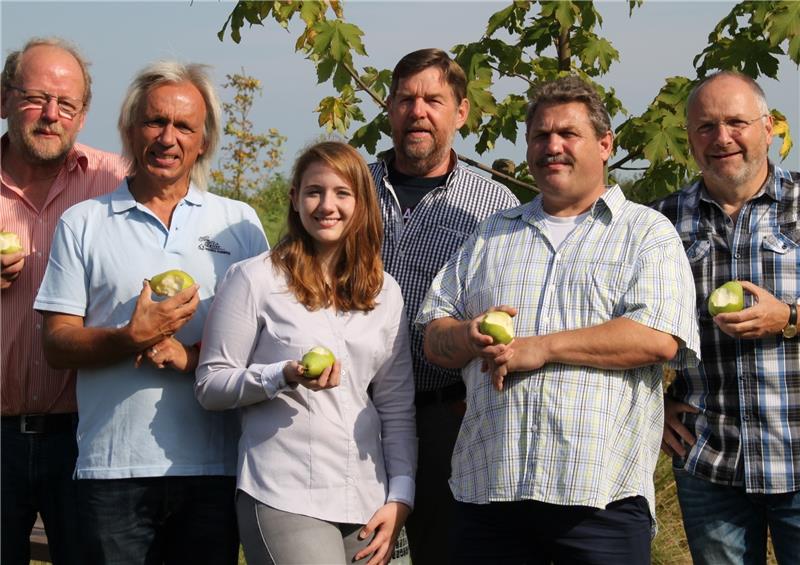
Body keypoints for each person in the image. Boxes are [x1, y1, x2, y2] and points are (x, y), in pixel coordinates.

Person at [416, 76, 701, 564]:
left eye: (568, 134)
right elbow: (433, 335)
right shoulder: (493, 233)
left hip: (599, 500)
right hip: (490, 493)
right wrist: (467, 335)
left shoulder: (646, 232)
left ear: (605, 144)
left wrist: (540, 347)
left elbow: (657, 339)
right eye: (540, 136)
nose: (552, 146)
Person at [33, 60, 268, 564]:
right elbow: (55, 343)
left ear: (204, 141)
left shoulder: (240, 225)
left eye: (184, 126)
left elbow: (265, 343)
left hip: (214, 468)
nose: (168, 137)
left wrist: (190, 358)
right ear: (130, 129)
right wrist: (130, 337)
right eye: (155, 121)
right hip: (111, 470)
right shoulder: (84, 222)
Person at [195, 141, 416, 565]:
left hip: (369, 497)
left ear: (362, 202)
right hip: (285, 491)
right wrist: (282, 374)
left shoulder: (385, 292)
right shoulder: (255, 278)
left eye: (341, 193)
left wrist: (400, 496)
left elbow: (395, 406)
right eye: (314, 191)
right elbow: (210, 385)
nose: (326, 205)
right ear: (295, 199)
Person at [369, 47, 519, 565]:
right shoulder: (349, 189)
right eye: (406, 99)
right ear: (388, 108)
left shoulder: (494, 205)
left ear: (460, 112)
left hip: (448, 416)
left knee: (447, 552)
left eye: (434, 99)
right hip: (351, 411)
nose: (418, 111)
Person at [654, 71, 800, 564]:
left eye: (736, 122)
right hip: (710, 463)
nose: (722, 138)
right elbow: (632, 326)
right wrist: (652, 407)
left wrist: (790, 316)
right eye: (706, 126)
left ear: (768, 128)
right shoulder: (660, 222)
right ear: (690, 138)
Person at [0, 37, 126, 565]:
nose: (50, 115)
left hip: (86, 437)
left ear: (82, 114)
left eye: (66, 104)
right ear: (4, 99)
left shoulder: (116, 183)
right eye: (34, 98)